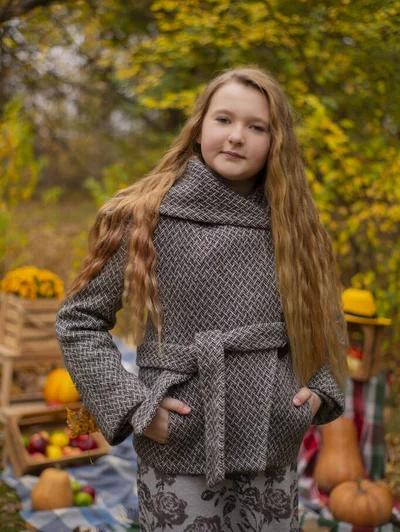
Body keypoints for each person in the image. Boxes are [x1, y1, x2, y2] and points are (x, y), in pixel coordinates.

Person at [55, 66, 349, 531]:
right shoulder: (142, 215)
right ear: (198, 129)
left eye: (257, 127)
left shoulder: (296, 226)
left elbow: (326, 319)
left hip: (271, 435)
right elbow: (79, 320)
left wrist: (318, 394)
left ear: (277, 142)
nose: (237, 137)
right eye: (224, 120)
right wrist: (136, 408)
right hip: (180, 439)